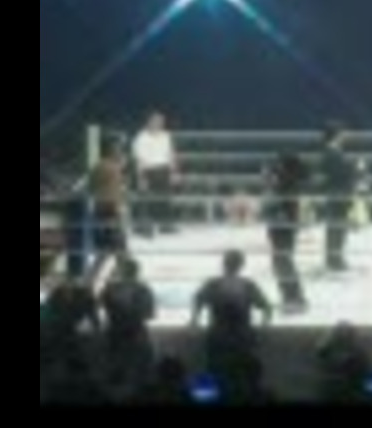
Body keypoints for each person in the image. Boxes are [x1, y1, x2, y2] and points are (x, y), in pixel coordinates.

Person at [191, 251, 273, 386]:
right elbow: (266, 307)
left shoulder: (214, 284)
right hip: (237, 335)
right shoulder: (246, 285)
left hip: (224, 335)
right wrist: (264, 326)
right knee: (237, 374)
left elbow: (198, 301)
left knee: (221, 372)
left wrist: (194, 320)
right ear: (241, 265)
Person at [99, 258, 156, 401]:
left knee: (115, 371)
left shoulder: (110, 288)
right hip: (135, 333)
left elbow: (101, 304)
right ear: (137, 272)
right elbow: (149, 314)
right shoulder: (143, 289)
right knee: (137, 372)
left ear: (121, 272)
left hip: (116, 332)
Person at [266, 152, 311, 313]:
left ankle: (294, 297)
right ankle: (291, 296)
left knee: (282, 262)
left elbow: (278, 203)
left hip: (283, 227)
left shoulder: (287, 184)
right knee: (282, 261)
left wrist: (272, 179)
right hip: (283, 226)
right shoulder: (288, 183)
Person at [86, 141, 129, 285]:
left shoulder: (97, 166)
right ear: (112, 152)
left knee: (105, 253)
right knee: (120, 253)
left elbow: (91, 188)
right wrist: (119, 211)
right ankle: (119, 283)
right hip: (110, 211)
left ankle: (90, 281)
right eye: (118, 150)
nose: (121, 153)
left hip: (99, 210)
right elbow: (114, 194)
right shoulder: (113, 169)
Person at [132, 111, 180, 236]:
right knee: (146, 200)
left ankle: (165, 225)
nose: (159, 124)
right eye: (156, 121)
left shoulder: (166, 136)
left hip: (163, 169)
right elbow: (139, 159)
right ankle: (143, 226)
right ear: (149, 122)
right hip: (148, 170)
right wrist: (141, 177)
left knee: (165, 198)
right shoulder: (141, 137)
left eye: (161, 122)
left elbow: (171, 154)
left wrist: (174, 172)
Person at [318, 122, 358, 271]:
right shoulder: (332, 153)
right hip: (338, 193)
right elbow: (339, 173)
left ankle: (335, 258)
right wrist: (354, 168)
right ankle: (334, 260)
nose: (346, 135)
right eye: (343, 132)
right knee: (336, 227)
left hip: (338, 193)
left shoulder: (334, 152)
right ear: (336, 135)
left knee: (338, 227)